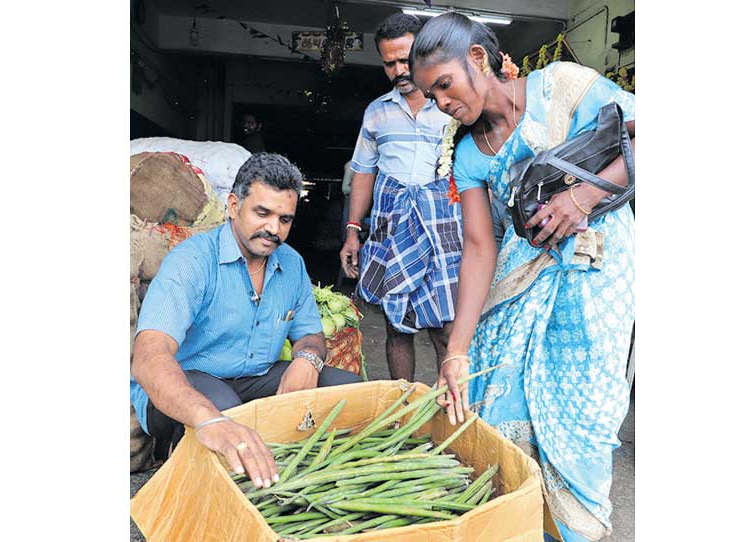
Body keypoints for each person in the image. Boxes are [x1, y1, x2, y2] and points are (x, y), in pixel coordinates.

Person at [410, 13, 635, 542]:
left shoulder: (563, 86)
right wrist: (456, 351)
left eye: (445, 84)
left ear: (479, 60)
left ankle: (574, 532)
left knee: (581, 424)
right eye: (431, 95)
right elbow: (479, 248)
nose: (442, 102)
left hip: (594, 285)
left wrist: (582, 196)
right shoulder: (467, 154)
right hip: (518, 290)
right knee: (504, 411)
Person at [131, 153, 361, 489]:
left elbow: (310, 333)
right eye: (262, 213)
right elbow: (149, 359)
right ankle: (201, 467)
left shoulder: (291, 264)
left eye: (285, 219)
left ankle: (317, 486)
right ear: (234, 205)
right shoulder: (192, 262)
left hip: (255, 378)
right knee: (228, 414)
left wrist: (307, 360)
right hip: (188, 384)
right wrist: (208, 419)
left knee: (348, 391)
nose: (273, 229)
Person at [339, 13, 463, 381]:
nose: (398, 70)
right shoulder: (377, 112)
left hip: (443, 228)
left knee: (445, 328)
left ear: (423, 52)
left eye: (405, 60)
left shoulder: (450, 104)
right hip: (392, 226)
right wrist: (351, 230)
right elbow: (363, 172)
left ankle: (449, 413)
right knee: (397, 325)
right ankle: (401, 413)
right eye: (389, 63)